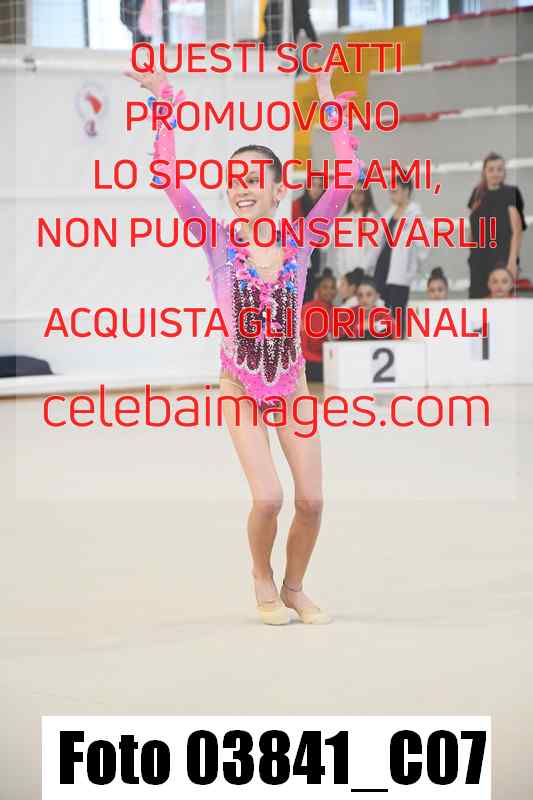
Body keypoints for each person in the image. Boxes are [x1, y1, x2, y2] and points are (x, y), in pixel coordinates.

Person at [125, 66, 362, 625]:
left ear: (280, 190)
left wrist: (326, 100)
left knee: (312, 501)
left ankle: (294, 586)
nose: (241, 187)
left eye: (254, 178)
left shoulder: (302, 241)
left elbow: (347, 178)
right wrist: (165, 102)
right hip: (240, 385)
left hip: (291, 384)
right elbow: (170, 181)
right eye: (234, 179)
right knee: (268, 498)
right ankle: (261, 576)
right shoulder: (216, 242)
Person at [365, 177, 429, 337]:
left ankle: (398, 342)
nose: (391, 195)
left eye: (395, 191)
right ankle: (382, 340)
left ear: (406, 191)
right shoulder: (389, 214)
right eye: (390, 191)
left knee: (397, 311)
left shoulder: (416, 216)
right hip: (383, 267)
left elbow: (424, 247)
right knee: (382, 311)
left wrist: (411, 266)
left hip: (400, 272)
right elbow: (378, 243)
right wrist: (368, 265)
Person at [467, 152, 527, 299]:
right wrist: (472, 254)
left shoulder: (511, 192)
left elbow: (517, 230)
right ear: (484, 172)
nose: (495, 173)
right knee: (478, 300)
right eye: (491, 169)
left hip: (502, 256)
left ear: (504, 172)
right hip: (479, 258)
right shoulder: (477, 193)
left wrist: (512, 262)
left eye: (499, 169)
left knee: (502, 301)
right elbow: (472, 226)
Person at [328, 182, 378, 278]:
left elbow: (373, 250)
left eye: (360, 192)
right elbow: (339, 250)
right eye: (353, 192)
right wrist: (343, 273)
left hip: (364, 275)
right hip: (346, 276)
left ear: (366, 195)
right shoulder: (343, 219)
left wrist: (361, 270)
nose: (356, 196)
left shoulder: (372, 218)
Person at [292, 176, 325, 302]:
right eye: (313, 185)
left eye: (319, 186)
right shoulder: (296, 205)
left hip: (316, 256)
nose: (316, 189)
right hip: (299, 256)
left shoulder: (325, 206)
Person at [300, 272, 337, 382]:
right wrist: (324, 361)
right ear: (318, 290)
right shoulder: (307, 309)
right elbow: (302, 348)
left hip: (328, 361)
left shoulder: (337, 311)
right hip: (309, 362)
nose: (329, 291)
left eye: (332, 287)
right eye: (325, 287)